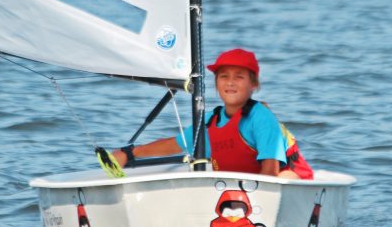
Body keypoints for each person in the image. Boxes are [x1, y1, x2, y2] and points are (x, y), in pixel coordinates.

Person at [108, 48, 314, 179]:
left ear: (254, 84)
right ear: (216, 84)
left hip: (287, 183)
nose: (231, 82)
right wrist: (128, 153)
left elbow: (270, 173)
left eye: (239, 77)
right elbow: (174, 144)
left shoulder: (261, 118)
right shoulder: (211, 122)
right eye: (224, 76)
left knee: (286, 177)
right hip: (242, 192)